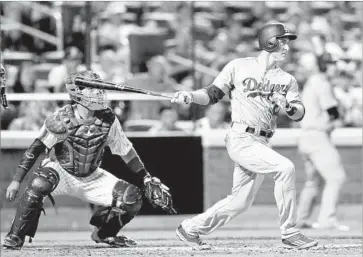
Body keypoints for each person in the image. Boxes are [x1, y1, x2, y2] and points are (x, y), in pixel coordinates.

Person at [171, 22, 318, 250]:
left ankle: (190, 229)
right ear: (269, 41)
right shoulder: (239, 66)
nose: (287, 47)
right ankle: (290, 232)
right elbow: (211, 95)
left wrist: (288, 107)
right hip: (241, 137)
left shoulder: (287, 79)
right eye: (283, 41)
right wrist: (190, 96)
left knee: (239, 203)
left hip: (262, 141)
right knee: (285, 168)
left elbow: (299, 113)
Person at [3, 70, 175, 250]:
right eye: (92, 89)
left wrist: (146, 177)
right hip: (60, 170)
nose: (98, 92)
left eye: (98, 88)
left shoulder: (108, 119)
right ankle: (16, 236)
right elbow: (34, 149)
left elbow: (126, 151)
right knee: (38, 184)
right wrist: (16, 181)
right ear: (78, 92)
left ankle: (104, 233)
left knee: (132, 197)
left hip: (91, 175)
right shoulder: (60, 118)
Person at [296, 53, 349, 231]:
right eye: (331, 64)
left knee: (313, 182)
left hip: (306, 136)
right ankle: (327, 220)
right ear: (323, 65)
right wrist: (342, 111)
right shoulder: (322, 82)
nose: (334, 67)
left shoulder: (314, 81)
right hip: (317, 135)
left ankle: (299, 220)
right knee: (336, 177)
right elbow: (333, 112)